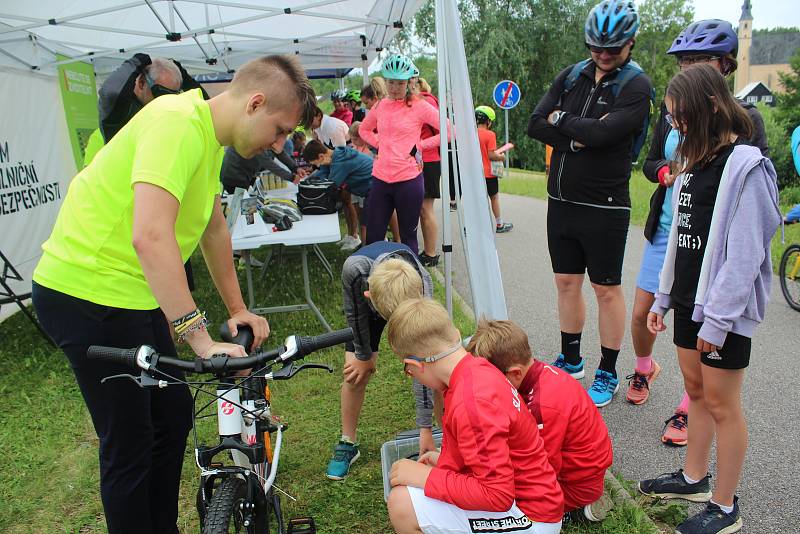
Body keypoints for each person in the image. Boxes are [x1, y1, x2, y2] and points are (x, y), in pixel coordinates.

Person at [30, 55, 316, 534]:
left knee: (171, 414)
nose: (280, 144)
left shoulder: (206, 133)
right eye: (281, 130)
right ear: (256, 102)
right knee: (130, 440)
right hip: (84, 292)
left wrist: (238, 308)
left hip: (128, 293)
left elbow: (212, 227)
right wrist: (200, 339)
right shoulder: (177, 125)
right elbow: (151, 236)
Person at [638, 64, 781, 534]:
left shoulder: (747, 167)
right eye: (672, 119)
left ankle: (725, 508)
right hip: (687, 301)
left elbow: (745, 255)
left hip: (725, 313)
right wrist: (662, 299)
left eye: (682, 119)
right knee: (696, 392)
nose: (675, 129)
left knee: (723, 404)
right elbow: (678, 238)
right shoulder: (691, 163)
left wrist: (718, 322)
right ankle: (693, 478)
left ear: (712, 108)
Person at [628, 19, 770, 448]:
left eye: (697, 60)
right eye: (683, 60)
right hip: (670, 230)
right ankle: (645, 366)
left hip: (712, 246)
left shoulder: (746, 120)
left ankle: (690, 409)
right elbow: (650, 161)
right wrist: (666, 171)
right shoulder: (673, 112)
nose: (687, 67)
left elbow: (753, 182)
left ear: (723, 66)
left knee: (702, 335)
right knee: (643, 312)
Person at [527, 0, 653, 407]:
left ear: (630, 43)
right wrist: (579, 135)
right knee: (566, 283)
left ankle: (608, 370)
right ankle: (571, 358)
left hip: (605, 203)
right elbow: (534, 123)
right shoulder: (572, 75)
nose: (602, 55)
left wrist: (563, 122)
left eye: (612, 49)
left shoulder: (635, 85)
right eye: (596, 47)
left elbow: (605, 135)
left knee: (605, 290)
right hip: (561, 200)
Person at [385, 298, 563, 534]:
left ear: (415, 366)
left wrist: (427, 478)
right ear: (455, 335)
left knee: (401, 504)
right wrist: (447, 462)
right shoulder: (475, 369)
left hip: (531, 517)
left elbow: (497, 495)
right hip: (533, 500)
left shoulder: (472, 402)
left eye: (408, 372)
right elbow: (489, 449)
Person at [468, 319, 614, 522]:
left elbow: (541, 471)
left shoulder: (542, 407)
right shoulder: (535, 374)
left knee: (492, 503)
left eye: (489, 379)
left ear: (515, 373)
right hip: (581, 470)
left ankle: (577, 508)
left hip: (575, 484)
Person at [326, 243, 435, 480]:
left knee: (433, 369)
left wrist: (424, 428)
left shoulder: (422, 288)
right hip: (367, 309)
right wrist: (364, 357)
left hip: (408, 306)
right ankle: (347, 442)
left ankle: (444, 434)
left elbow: (423, 367)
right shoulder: (354, 271)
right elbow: (354, 315)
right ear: (369, 296)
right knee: (355, 373)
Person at [359, 54, 444, 255]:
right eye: (390, 82)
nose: (394, 88)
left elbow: (449, 131)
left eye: (400, 83)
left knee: (408, 238)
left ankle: (410, 284)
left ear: (409, 82)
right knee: (373, 236)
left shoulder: (420, 105)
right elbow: (364, 130)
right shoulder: (381, 105)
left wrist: (420, 146)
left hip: (409, 180)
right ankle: (374, 282)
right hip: (381, 179)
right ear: (385, 81)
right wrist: (380, 144)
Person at [97, 54, 183, 142]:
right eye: (161, 93)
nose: (166, 101)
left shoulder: (165, 111)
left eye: (173, 95)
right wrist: (135, 62)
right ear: (141, 83)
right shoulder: (121, 108)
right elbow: (111, 92)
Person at [304, 139, 373, 247]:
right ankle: (366, 246)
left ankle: (368, 251)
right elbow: (322, 172)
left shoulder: (340, 162)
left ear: (321, 156)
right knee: (363, 220)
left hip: (376, 187)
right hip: (366, 188)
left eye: (316, 163)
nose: (317, 166)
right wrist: (307, 182)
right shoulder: (334, 154)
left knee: (366, 224)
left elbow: (331, 186)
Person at [413, 76, 444, 266]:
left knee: (426, 208)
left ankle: (431, 254)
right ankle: (427, 251)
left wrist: (421, 146)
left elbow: (442, 131)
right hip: (421, 160)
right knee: (422, 209)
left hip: (429, 160)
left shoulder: (427, 102)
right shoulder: (421, 101)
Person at [220, 137, 306, 194]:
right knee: (243, 209)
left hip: (244, 174)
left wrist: (295, 168)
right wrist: (291, 177)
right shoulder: (257, 137)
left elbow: (279, 152)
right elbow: (268, 163)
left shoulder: (270, 134)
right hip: (233, 175)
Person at [476, 105, 514, 233]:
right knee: (494, 198)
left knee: (476, 200)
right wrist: (501, 157)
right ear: (488, 121)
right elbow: (491, 155)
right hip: (488, 174)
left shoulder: (470, 133)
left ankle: (471, 226)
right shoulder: (490, 134)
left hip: (475, 173)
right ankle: (499, 224)